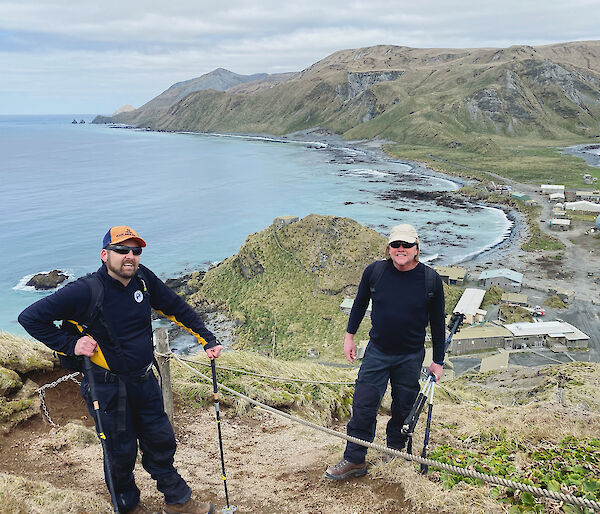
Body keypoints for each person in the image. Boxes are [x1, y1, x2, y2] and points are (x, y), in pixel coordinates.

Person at [19, 226, 221, 514]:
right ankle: (127, 507)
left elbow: (175, 306)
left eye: (135, 251)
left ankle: (178, 501)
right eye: (122, 250)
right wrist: (71, 344)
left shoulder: (143, 279)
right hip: (107, 386)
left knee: (161, 440)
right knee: (120, 451)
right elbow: (29, 318)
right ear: (105, 255)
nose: (130, 256)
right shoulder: (84, 291)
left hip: (144, 379)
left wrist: (206, 338)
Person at [325, 224, 445, 480]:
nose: (400, 250)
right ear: (389, 248)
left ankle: (395, 450)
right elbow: (359, 304)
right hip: (377, 351)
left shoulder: (430, 279)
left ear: (416, 248)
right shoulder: (375, 272)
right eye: (395, 245)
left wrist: (438, 361)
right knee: (364, 404)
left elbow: (437, 322)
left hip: (411, 355)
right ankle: (355, 459)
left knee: (403, 406)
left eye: (406, 245)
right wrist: (349, 337)